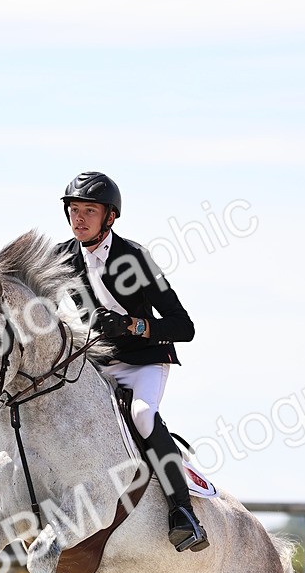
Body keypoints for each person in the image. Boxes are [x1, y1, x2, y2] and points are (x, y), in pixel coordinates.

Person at [55, 170, 209, 552]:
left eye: (89, 210)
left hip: (145, 360)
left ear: (110, 216)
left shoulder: (134, 258)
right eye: (74, 210)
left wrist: (132, 325)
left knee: (142, 414)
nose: (79, 218)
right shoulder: (59, 258)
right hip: (100, 360)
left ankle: (182, 512)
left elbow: (183, 326)